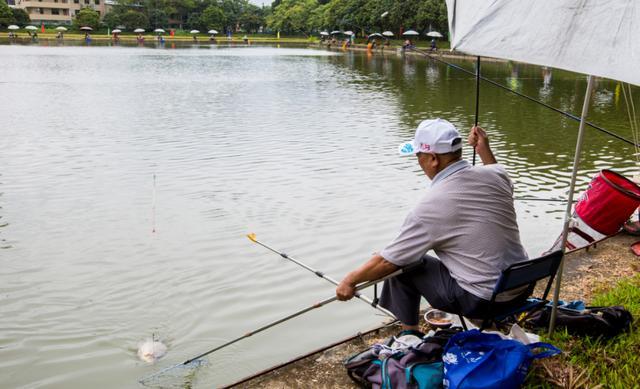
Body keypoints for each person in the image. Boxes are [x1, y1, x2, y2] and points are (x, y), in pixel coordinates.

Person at [336, 119, 530, 331]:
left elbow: (388, 262)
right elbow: (495, 170)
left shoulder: (432, 205)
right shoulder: (498, 175)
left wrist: (349, 280)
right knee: (404, 255)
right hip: (521, 287)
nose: (418, 162)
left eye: (418, 156)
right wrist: (484, 149)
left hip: (483, 301)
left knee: (403, 264)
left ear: (433, 159)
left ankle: (409, 334)